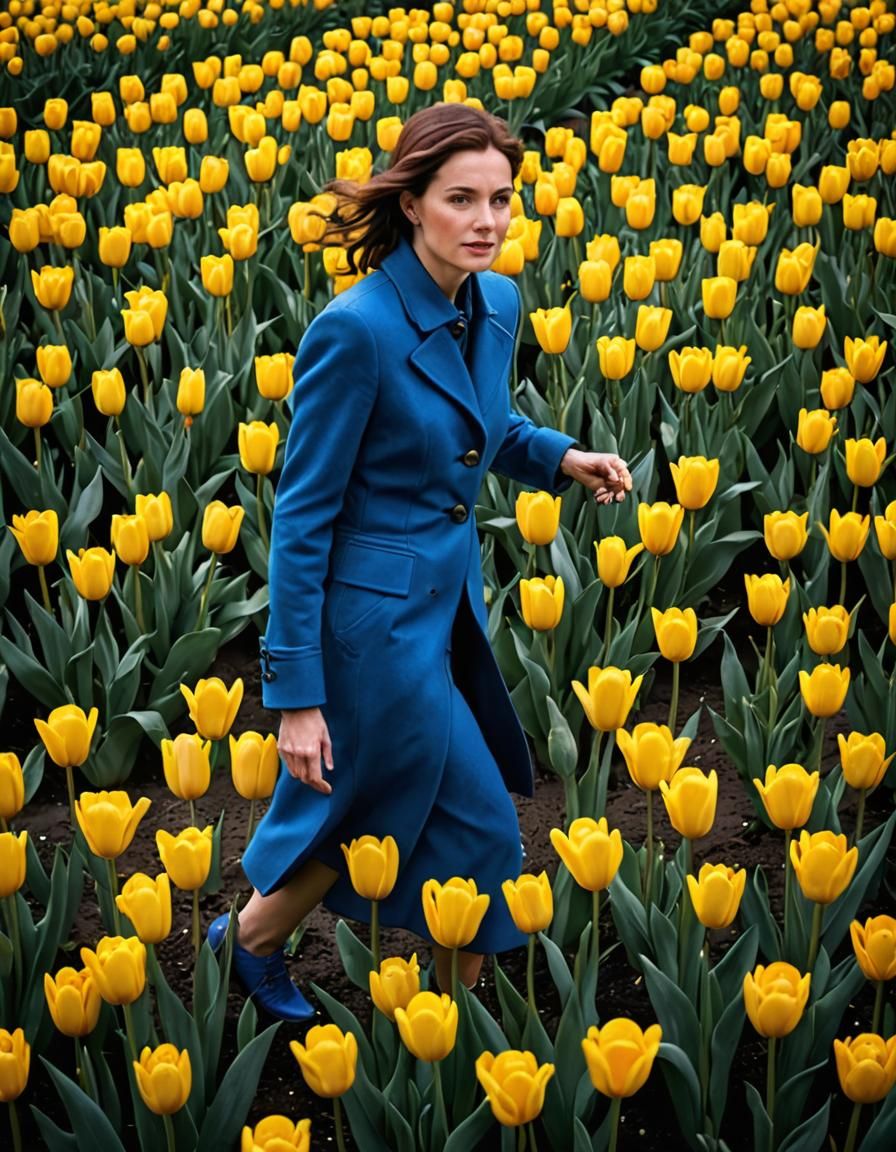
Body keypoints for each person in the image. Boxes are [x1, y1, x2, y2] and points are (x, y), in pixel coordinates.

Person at [209, 103, 632, 1020]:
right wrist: (295, 697)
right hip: (370, 631)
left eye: (501, 199)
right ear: (411, 204)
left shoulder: (496, 301)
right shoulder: (356, 331)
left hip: (439, 611)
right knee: (478, 830)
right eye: (460, 199)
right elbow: (302, 518)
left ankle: (252, 943)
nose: (487, 220)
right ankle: (448, 1035)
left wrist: (561, 456)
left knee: (378, 799)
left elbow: (486, 424)